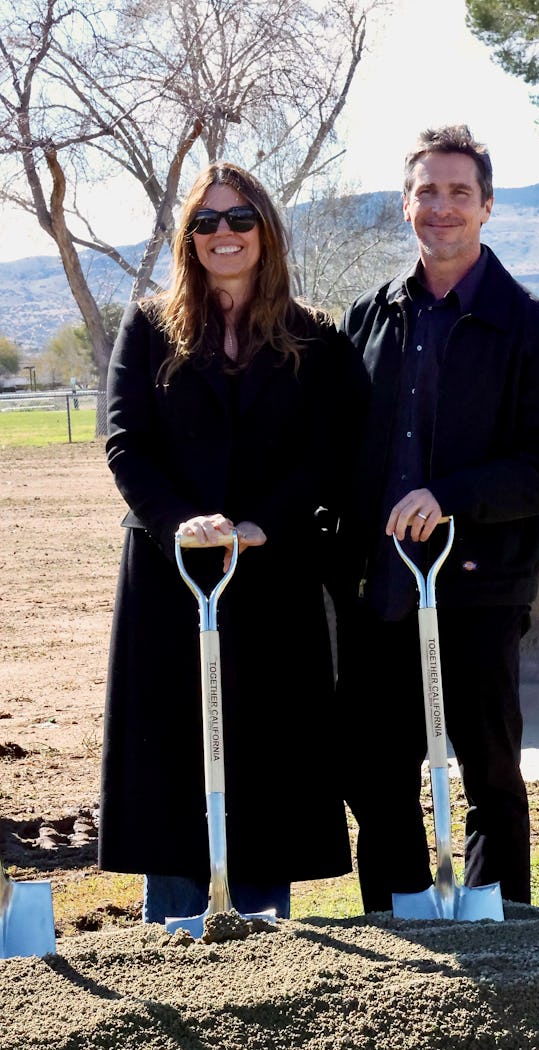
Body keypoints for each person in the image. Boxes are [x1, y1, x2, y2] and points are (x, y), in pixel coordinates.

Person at [333, 124, 539, 912]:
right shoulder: (369, 320)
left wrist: (451, 497)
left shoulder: (535, 334)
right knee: (375, 776)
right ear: (406, 205)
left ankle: (499, 923)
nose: (440, 207)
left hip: (478, 588)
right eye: (426, 192)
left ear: (486, 207)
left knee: (488, 774)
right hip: (379, 591)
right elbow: (339, 450)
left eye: (458, 193)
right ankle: (401, 922)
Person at [98, 160, 365, 924]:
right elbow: (126, 443)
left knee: (265, 763)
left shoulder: (315, 338)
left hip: (271, 579)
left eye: (239, 218)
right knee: (173, 762)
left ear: (266, 231)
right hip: (171, 577)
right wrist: (180, 520)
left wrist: (264, 524)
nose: (224, 234)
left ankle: (260, 935)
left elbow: (328, 452)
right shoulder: (149, 327)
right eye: (206, 221)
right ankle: (175, 938)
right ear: (188, 238)